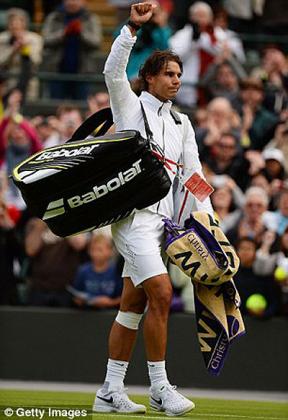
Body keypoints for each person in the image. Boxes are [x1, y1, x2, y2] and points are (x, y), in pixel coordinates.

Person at [93, 2, 213, 416]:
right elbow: (112, 71)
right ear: (149, 77)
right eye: (168, 74)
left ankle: (109, 390)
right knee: (161, 293)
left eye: (180, 75)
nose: (176, 81)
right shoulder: (129, 106)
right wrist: (131, 27)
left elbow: (194, 178)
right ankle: (161, 388)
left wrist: (210, 222)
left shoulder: (183, 124)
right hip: (131, 219)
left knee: (134, 304)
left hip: (163, 226)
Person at [42, 0, 102, 99]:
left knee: (82, 107)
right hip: (57, 71)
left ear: (83, 2)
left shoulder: (91, 18)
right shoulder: (54, 17)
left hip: (82, 72)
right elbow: (45, 40)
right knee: (55, 106)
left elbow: (96, 42)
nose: (72, 2)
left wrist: (81, 32)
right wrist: (64, 33)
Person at [0, 8, 43, 101]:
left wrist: (25, 48)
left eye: (18, 25)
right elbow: (1, 61)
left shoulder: (35, 39)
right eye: (12, 24)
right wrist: (13, 50)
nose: (15, 28)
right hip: (6, 83)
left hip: (28, 83)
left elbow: (36, 61)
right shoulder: (2, 38)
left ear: (24, 24)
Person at [71, 233, 123, 309]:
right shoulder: (83, 270)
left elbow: (124, 297)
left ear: (110, 251)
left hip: (111, 313)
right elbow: (76, 295)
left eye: (100, 250)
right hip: (87, 313)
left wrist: (110, 302)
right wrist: (84, 301)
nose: (96, 254)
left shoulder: (116, 270)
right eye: (93, 249)